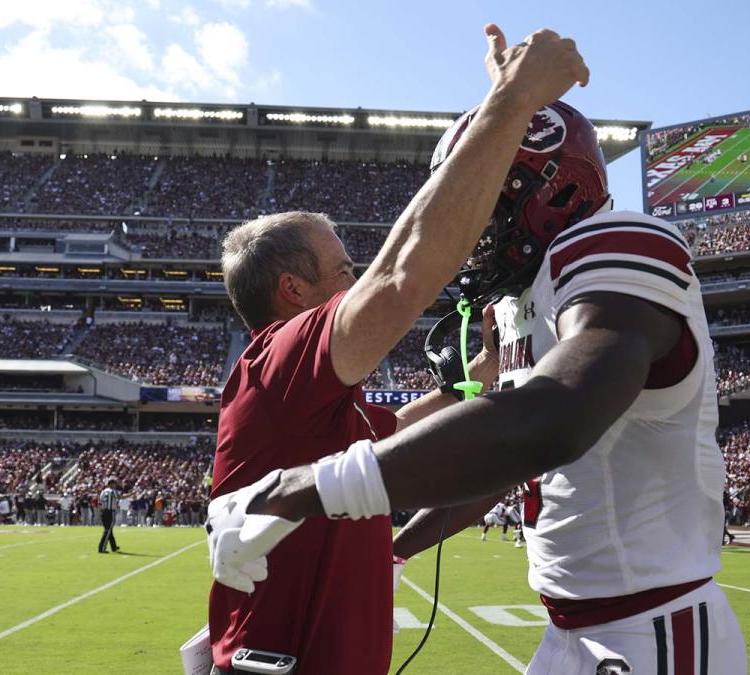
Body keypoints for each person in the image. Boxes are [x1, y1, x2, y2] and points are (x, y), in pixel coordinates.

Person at [213, 95, 748, 673]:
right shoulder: (523, 301)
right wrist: (399, 543)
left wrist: (312, 489)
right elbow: (505, 457)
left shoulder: (612, 243)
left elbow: (552, 420)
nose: (471, 229)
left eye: (483, 201)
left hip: (650, 624)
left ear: (549, 191)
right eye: (344, 271)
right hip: (573, 624)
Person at [203, 24, 589, 675]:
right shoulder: (278, 359)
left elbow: (397, 431)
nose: (356, 280)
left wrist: (470, 385)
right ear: (293, 291)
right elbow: (402, 278)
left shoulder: (312, 406)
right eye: (343, 269)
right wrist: (515, 99)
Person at [98, 477, 121, 554]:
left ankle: (114, 547)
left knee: (109, 530)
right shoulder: (112, 491)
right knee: (108, 530)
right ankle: (101, 548)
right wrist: (131, 495)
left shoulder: (103, 492)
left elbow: (100, 503)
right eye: (114, 484)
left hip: (103, 511)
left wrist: (101, 513)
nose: (115, 485)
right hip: (110, 512)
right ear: (111, 484)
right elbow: (120, 497)